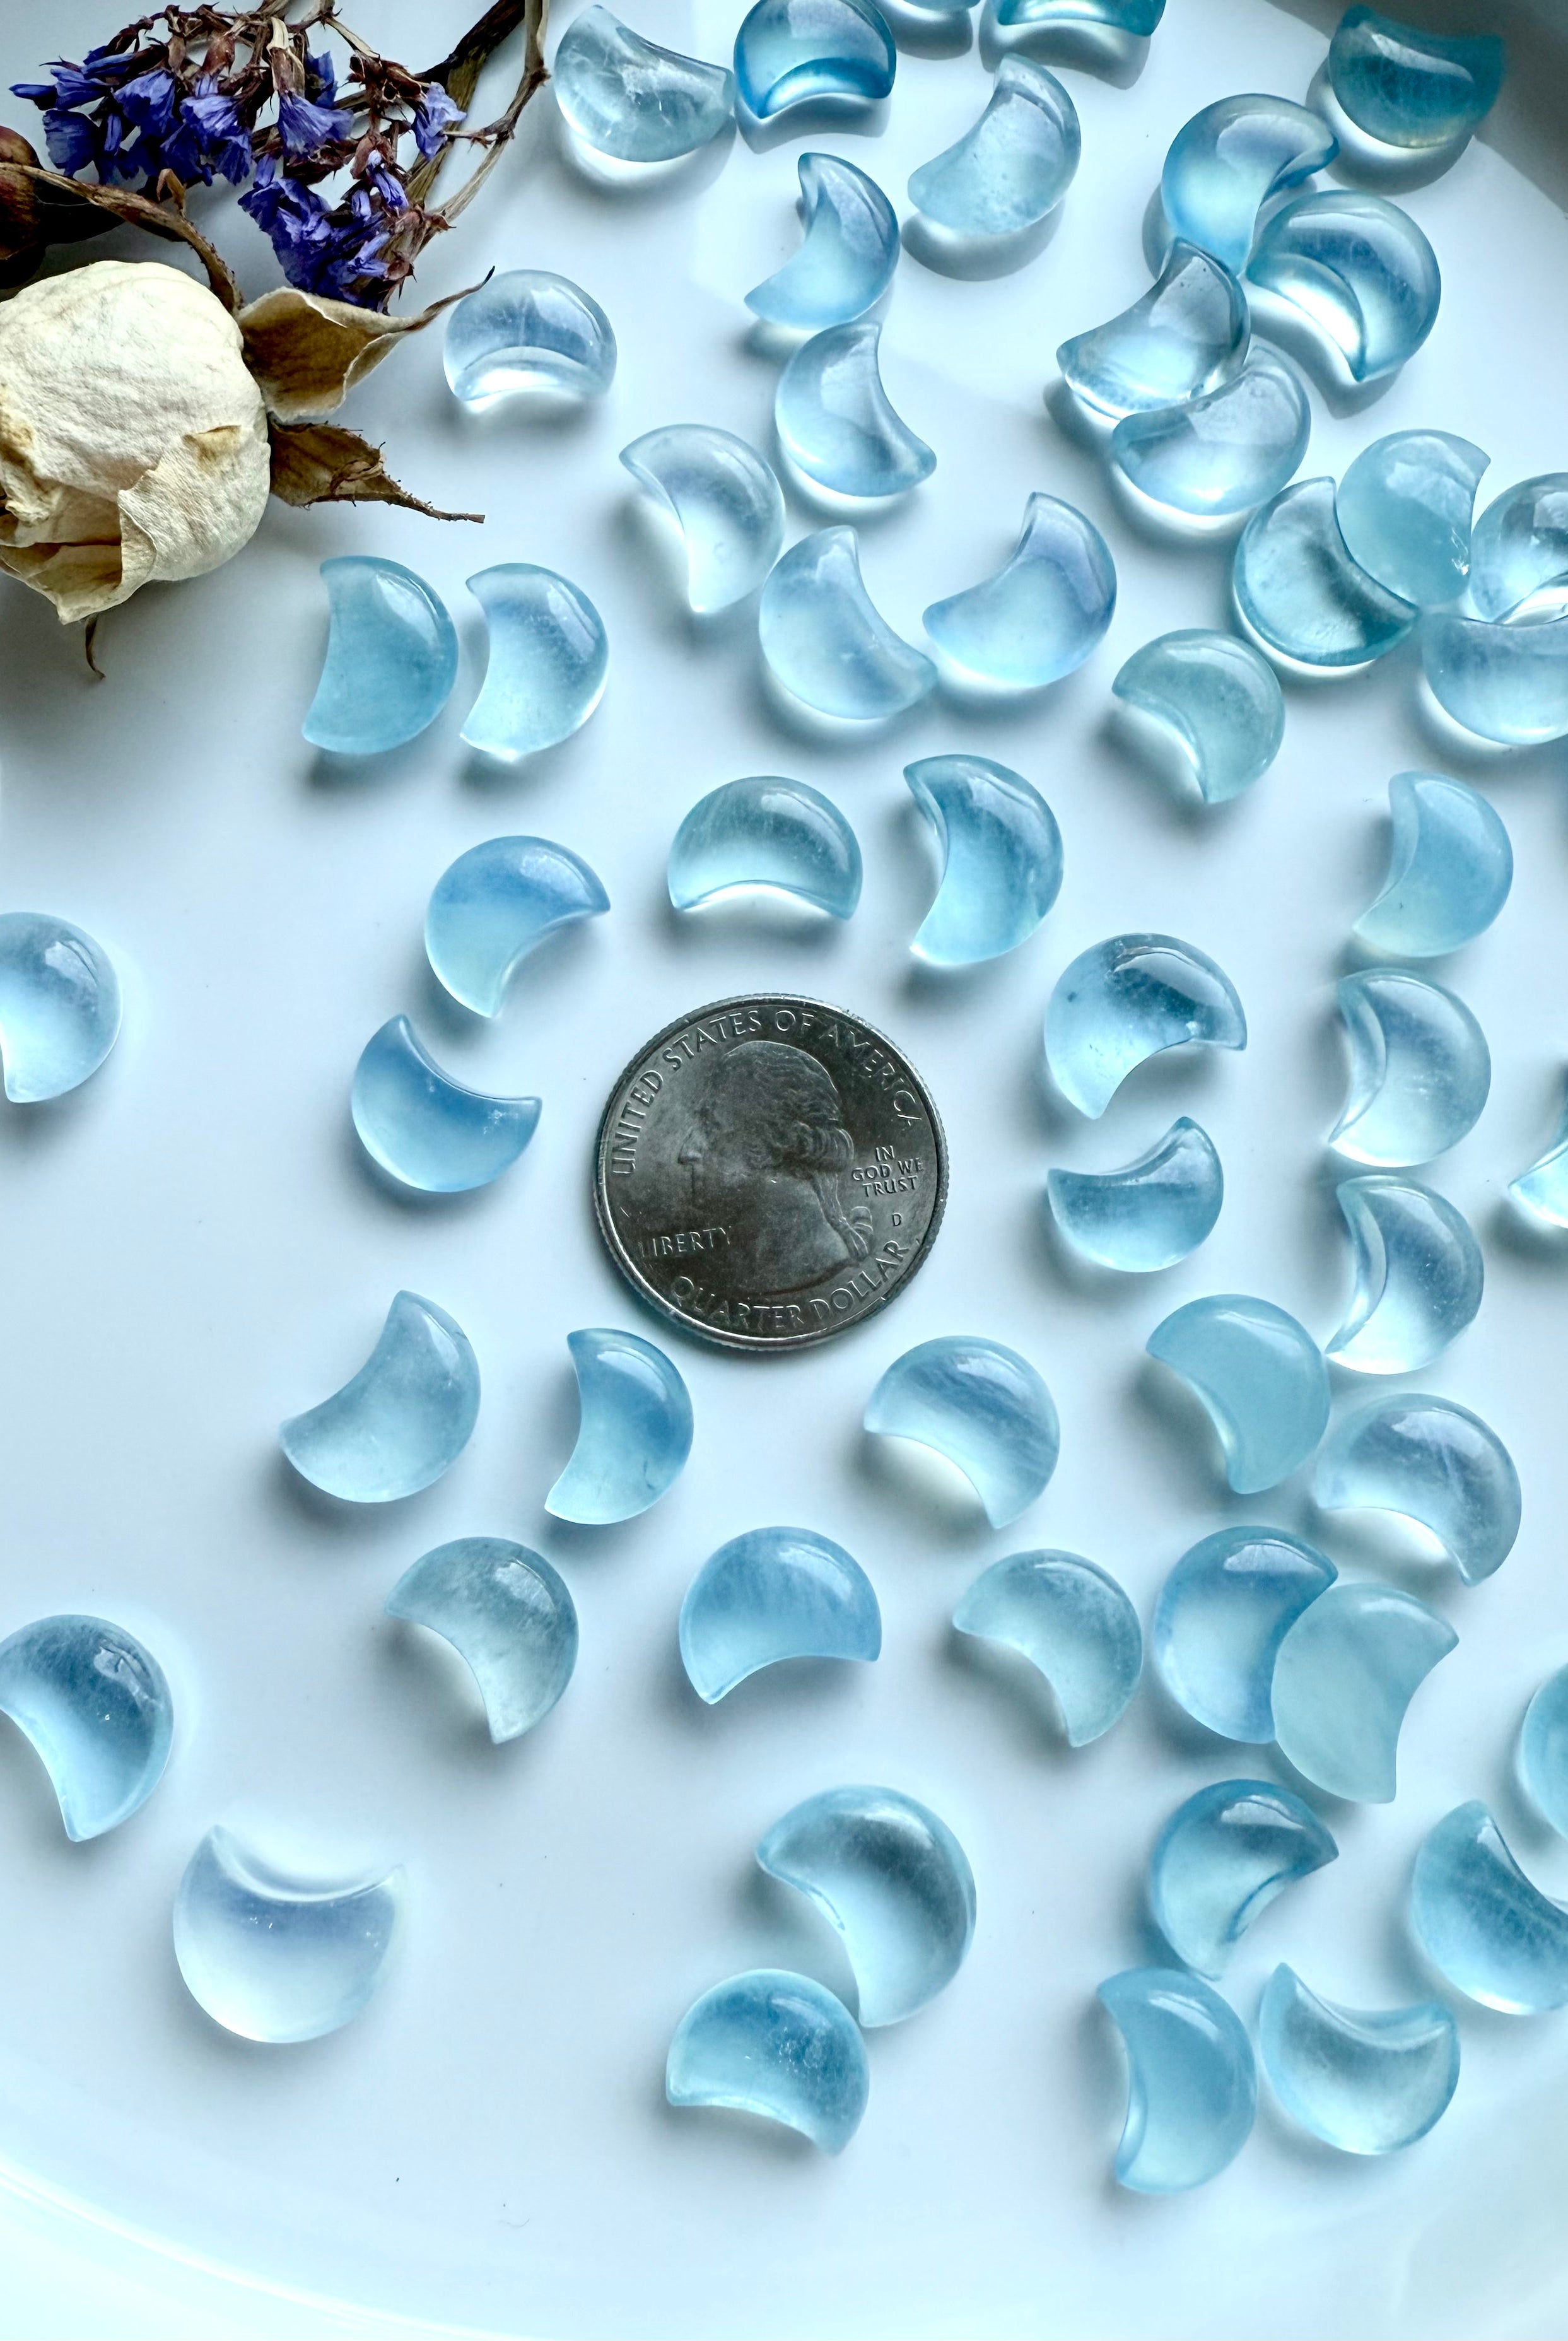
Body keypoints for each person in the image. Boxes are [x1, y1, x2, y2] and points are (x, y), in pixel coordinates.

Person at [676, 1040, 873, 1291]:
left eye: (712, 1126)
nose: (687, 1153)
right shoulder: (743, 1267)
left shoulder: (800, 1266)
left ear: (776, 1139)